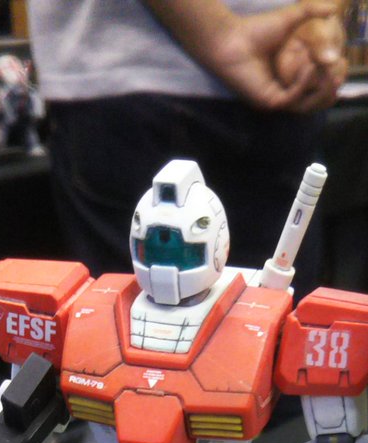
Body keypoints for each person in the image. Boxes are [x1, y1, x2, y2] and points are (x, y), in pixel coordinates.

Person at [28, 0, 348, 296]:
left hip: (130, 78)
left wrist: (318, 20)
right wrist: (315, 17)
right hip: (149, 86)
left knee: (133, 330)